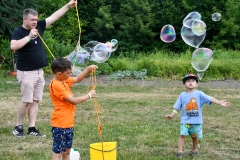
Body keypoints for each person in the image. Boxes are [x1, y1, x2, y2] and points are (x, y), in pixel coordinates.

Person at [10, 0, 78, 137]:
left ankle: (32, 128)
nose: (35, 22)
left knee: (35, 100)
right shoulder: (19, 32)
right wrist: (29, 37)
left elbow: (54, 16)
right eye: (32, 20)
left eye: (36, 19)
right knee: (26, 100)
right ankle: (18, 127)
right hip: (26, 73)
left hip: (39, 71)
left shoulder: (39, 26)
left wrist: (67, 6)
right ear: (25, 19)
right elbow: (13, 46)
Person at [165, 74, 230, 158]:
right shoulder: (182, 95)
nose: (190, 82)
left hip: (196, 121)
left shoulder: (199, 94)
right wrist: (171, 115)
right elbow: (177, 107)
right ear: (184, 84)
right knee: (182, 136)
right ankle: (180, 151)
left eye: (193, 81)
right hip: (185, 121)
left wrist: (219, 102)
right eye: (188, 81)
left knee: (194, 137)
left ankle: (194, 150)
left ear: (196, 84)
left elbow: (210, 98)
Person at [49, 58, 97, 160]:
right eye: (68, 73)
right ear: (59, 74)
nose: (70, 75)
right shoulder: (57, 85)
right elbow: (73, 101)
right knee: (58, 153)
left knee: (67, 152)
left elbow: (77, 79)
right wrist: (89, 95)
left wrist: (87, 69)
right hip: (60, 124)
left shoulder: (63, 80)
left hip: (68, 123)